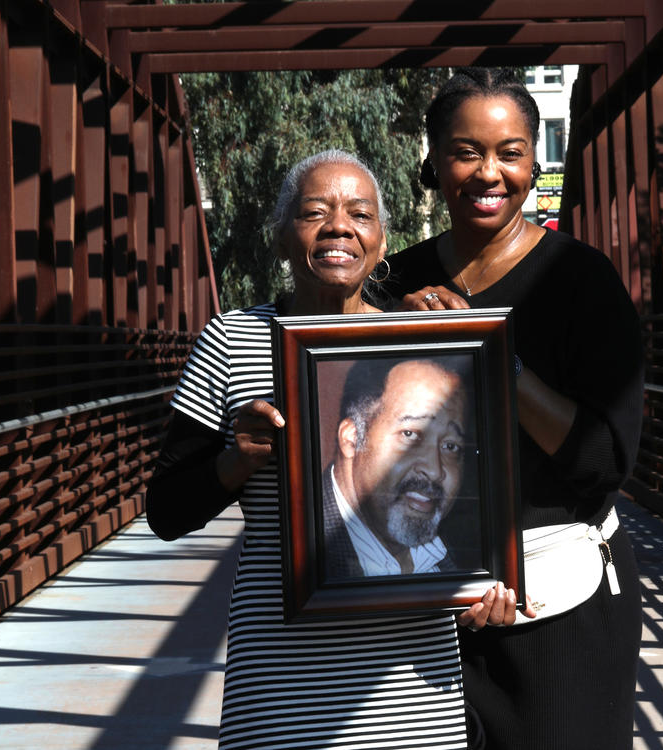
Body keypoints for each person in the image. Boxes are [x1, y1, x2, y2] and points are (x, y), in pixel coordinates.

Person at [145, 150, 475, 750]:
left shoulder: (418, 345)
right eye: (315, 212)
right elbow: (166, 512)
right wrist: (232, 462)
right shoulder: (231, 340)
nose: (339, 227)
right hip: (280, 687)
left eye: (361, 214)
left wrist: (488, 580)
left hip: (411, 694)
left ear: (380, 240)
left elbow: (480, 507)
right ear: (280, 238)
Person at [383, 68, 645, 750]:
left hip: (558, 607)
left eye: (510, 152)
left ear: (534, 161)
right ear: (434, 161)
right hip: (425, 609)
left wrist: (491, 356)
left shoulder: (583, 280)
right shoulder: (395, 286)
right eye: (466, 151)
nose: (489, 172)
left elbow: (603, 463)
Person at [324, 356, 470, 578]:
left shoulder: (463, 560)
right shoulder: (298, 549)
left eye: (450, 446)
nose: (435, 470)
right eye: (409, 434)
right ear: (352, 439)